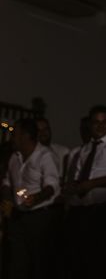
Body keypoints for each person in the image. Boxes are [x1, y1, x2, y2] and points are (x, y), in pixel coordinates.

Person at [64, 105, 106, 279]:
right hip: (87, 210)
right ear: (90, 124)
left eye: (104, 122)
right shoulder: (84, 150)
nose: (100, 126)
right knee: (88, 260)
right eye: (96, 122)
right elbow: (79, 178)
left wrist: (92, 184)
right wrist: (75, 188)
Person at [0, 118, 59, 279]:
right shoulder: (15, 158)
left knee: (39, 264)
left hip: (39, 217)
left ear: (25, 136)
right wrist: (7, 197)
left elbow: (52, 186)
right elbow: (7, 182)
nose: (12, 138)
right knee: (17, 263)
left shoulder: (45, 156)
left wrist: (36, 198)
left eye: (15, 134)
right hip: (17, 217)